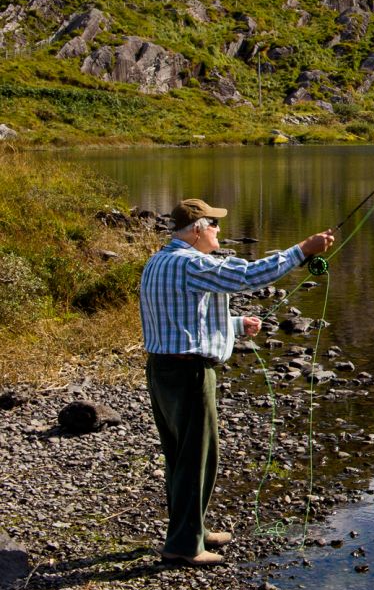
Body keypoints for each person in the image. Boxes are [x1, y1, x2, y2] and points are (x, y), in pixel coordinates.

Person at [139, 197, 335, 566]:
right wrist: (302, 250)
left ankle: (192, 528)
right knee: (197, 456)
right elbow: (246, 276)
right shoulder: (190, 263)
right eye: (213, 225)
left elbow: (177, 318)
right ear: (196, 230)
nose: (218, 230)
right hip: (189, 373)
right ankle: (184, 546)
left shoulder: (159, 261)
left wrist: (233, 326)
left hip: (163, 368)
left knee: (181, 454)